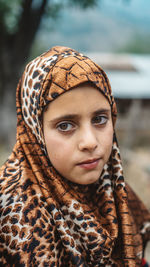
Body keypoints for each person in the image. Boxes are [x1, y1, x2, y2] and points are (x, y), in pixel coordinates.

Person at [0, 46, 150, 267]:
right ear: (35, 130)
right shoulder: (12, 212)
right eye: (65, 125)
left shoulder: (120, 197)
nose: (90, 142)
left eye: (100, 119)